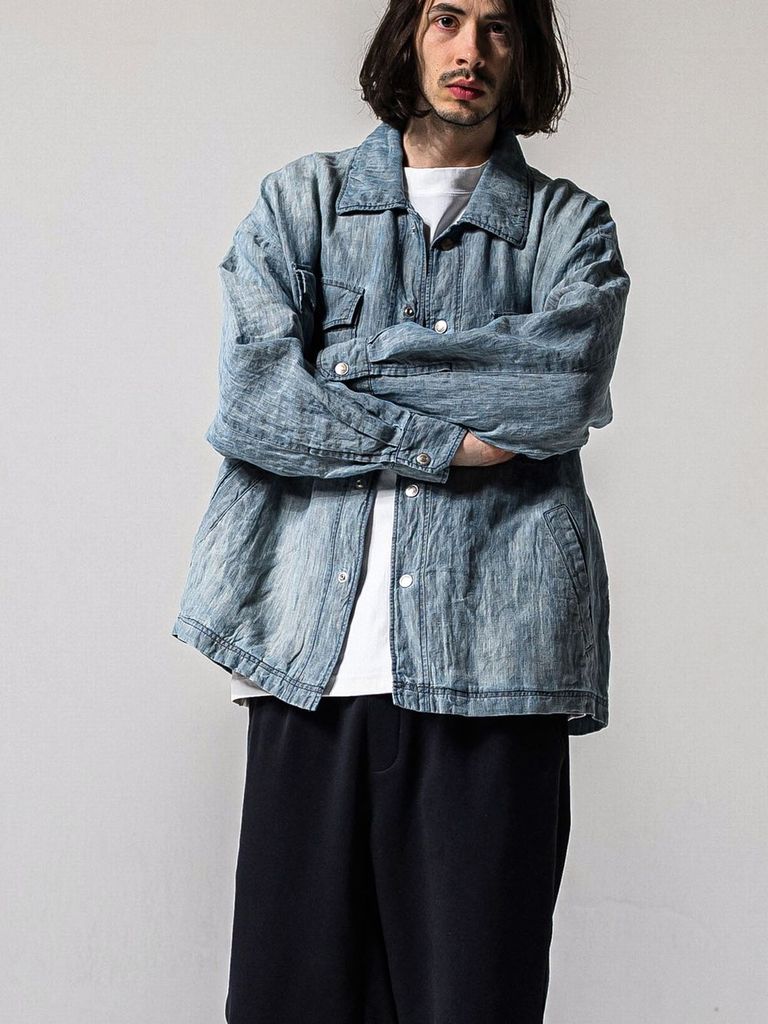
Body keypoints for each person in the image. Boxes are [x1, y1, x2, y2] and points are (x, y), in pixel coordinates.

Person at [171, 0, 631, 1020]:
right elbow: (254, 401)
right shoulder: (302, 203)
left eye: (499, 28)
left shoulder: (568, 228)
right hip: (309, 667)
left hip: (497, 673)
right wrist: (442, 437)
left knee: (474, 1002)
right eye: (446, 19)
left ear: (526, 53)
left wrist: (347, 363)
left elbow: (559, 390)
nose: (470, 50)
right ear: (406, 36)